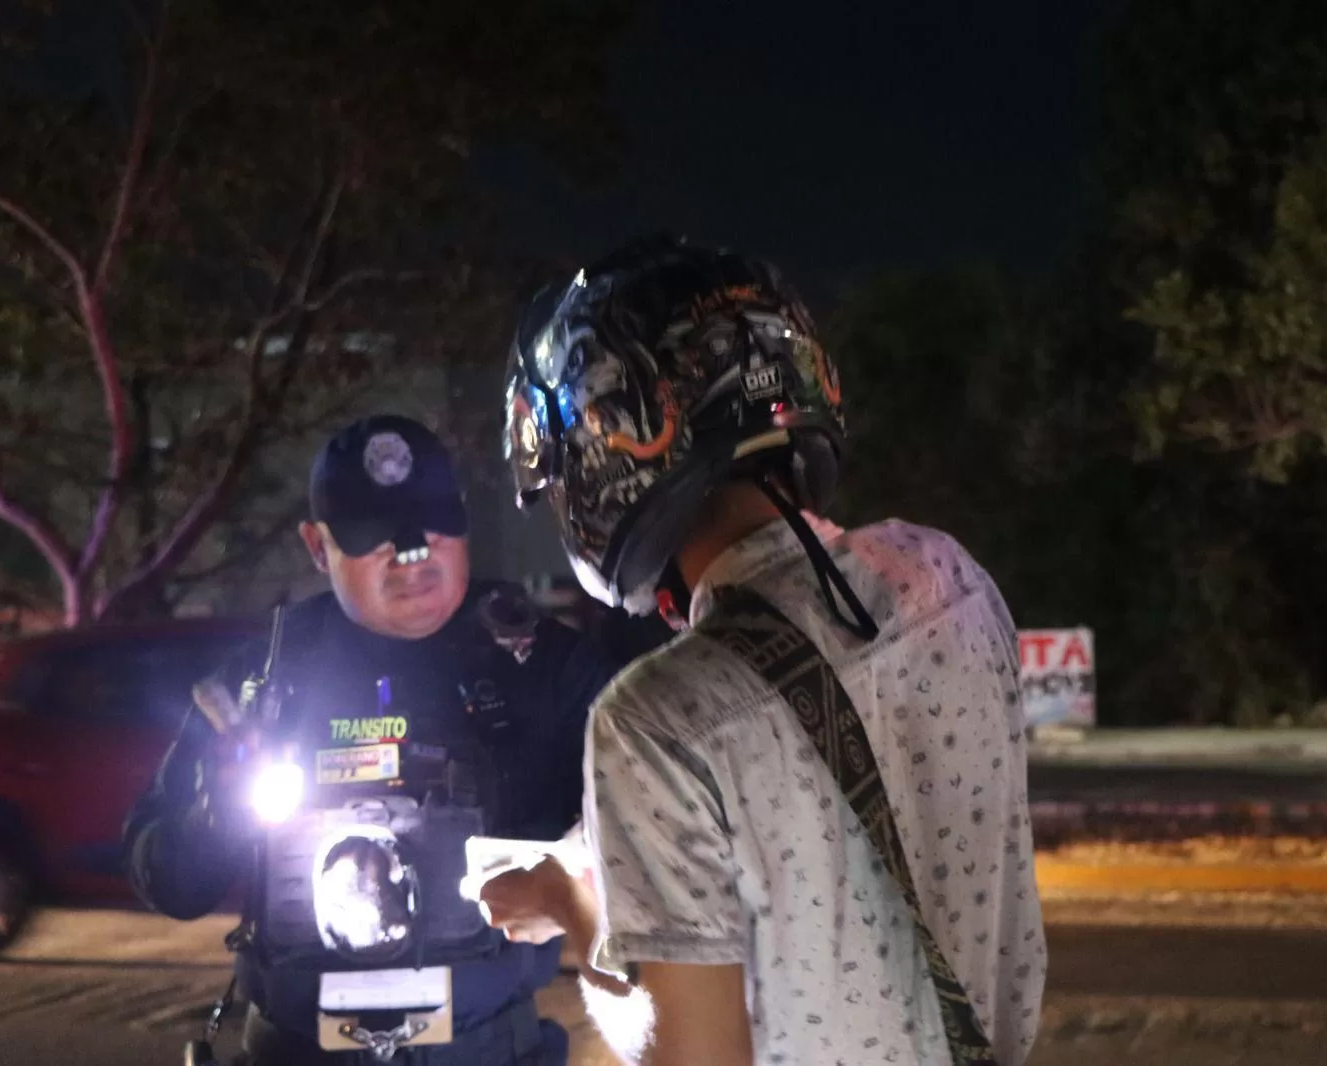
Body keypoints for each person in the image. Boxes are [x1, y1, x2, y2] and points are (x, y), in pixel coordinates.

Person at [481, 237, 1046, 1066]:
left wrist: (574, 904)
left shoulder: (653, 722)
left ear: (611, 442)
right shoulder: (949, 579)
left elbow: (692, 1057)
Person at [123, 415, 620, 1065]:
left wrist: (572, 874)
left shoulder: (551, 669)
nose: (414, 551)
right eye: (375, 533)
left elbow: (662, 837)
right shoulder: (259, 683)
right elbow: (166, 880)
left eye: (433, 521)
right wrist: (217, 813)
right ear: (315, 545)